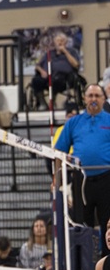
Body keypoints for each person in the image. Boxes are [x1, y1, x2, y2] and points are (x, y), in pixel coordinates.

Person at [54, 84, 110, 253]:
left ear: (103, 99)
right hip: (81, 180)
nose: (93, 99)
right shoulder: (73, 123)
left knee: (107, 223)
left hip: (106, 179)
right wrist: (56, 180)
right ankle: (82, 269)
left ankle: (107, 268)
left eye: (97, 96)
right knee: (80, 223)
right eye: (90, 95)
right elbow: (58, 152)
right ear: (85, 99)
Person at [31, 32, 81, 108]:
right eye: (57, 41)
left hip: (65, 79)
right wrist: (41, 71)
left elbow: (76, 65)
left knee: (56, 81)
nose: (59, 43)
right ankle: (43, 103)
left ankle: (52, 103)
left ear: (65, 42)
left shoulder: (71, 51)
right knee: (36, 81)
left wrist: (65, 51)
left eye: (61, 40)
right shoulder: (49, 53)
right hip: (48, 77)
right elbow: (37, 65)